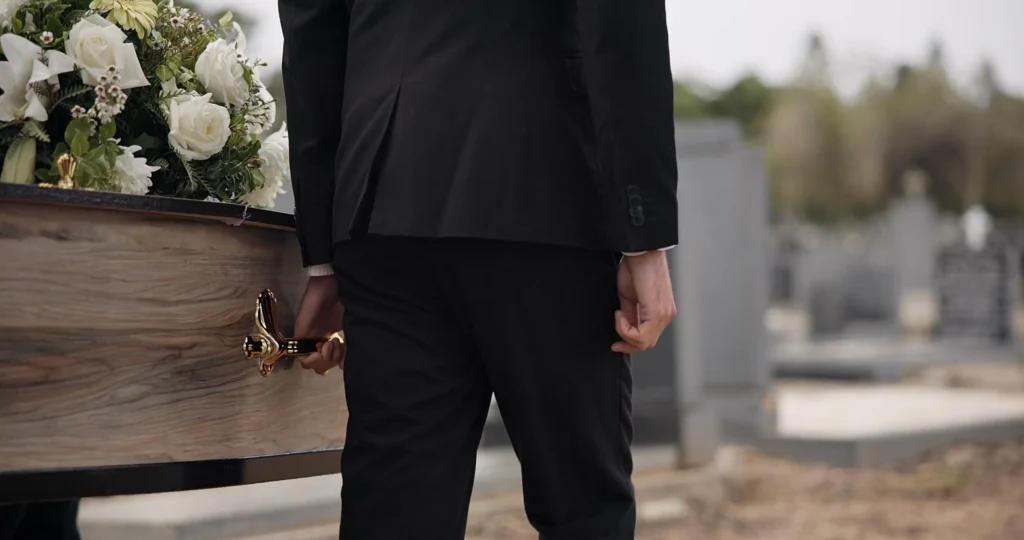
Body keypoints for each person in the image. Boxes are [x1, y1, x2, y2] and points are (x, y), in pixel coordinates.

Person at [279, 0, 678, 538]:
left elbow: (311, 33)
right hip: (542, 190)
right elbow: (622, 23)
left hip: (383, 198)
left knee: (396, 509)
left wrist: (324, 254)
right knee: (583, 509)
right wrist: (644, 236)